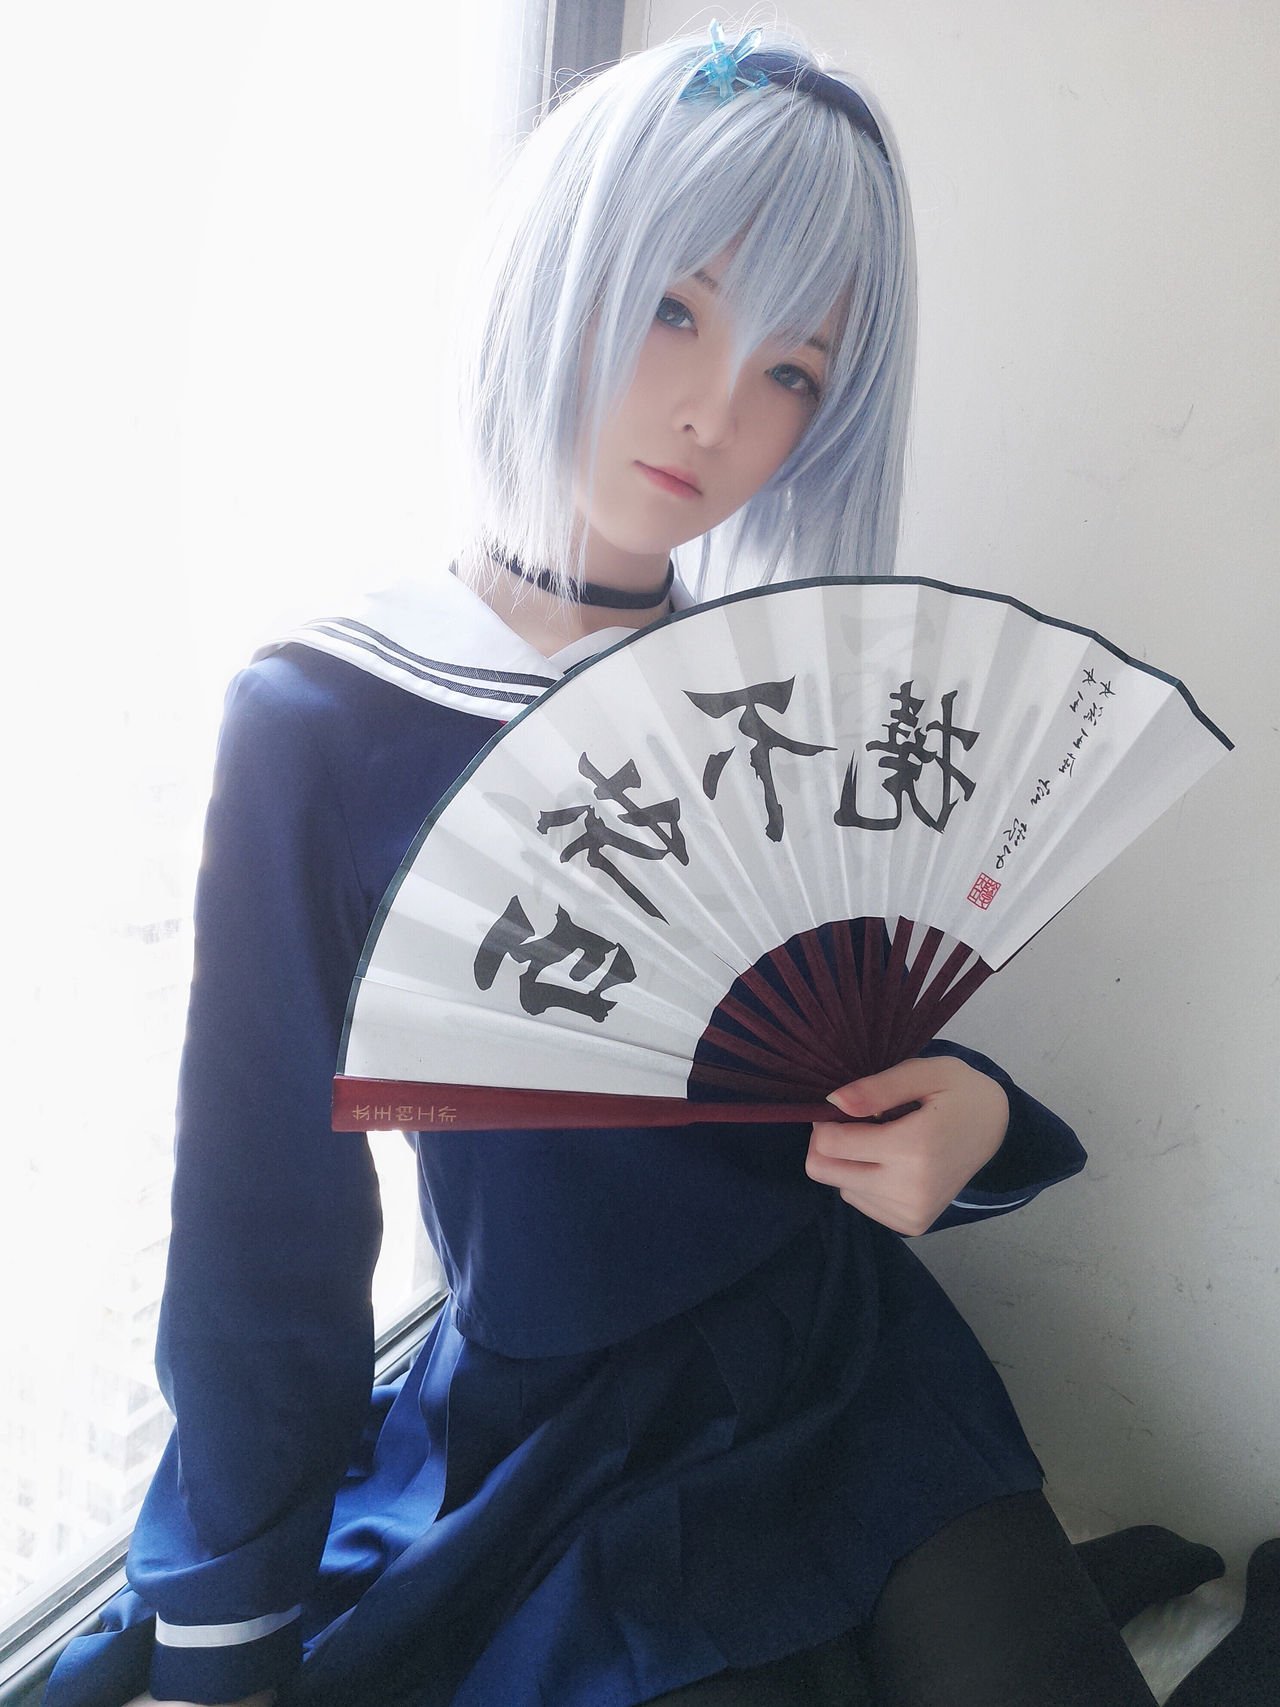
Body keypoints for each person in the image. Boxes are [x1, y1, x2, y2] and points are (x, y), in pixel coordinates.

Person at [45, 22, 1244, 1707]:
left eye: (794, 373)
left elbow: (854, 1033)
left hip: (848, 1357)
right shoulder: (325, 716)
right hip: (563, 1435)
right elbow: (263, 1223)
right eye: (676, 307)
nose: (716, 413)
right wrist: (222, 1635)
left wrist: (973, 1118)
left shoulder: (796, 688)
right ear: (562, 267)